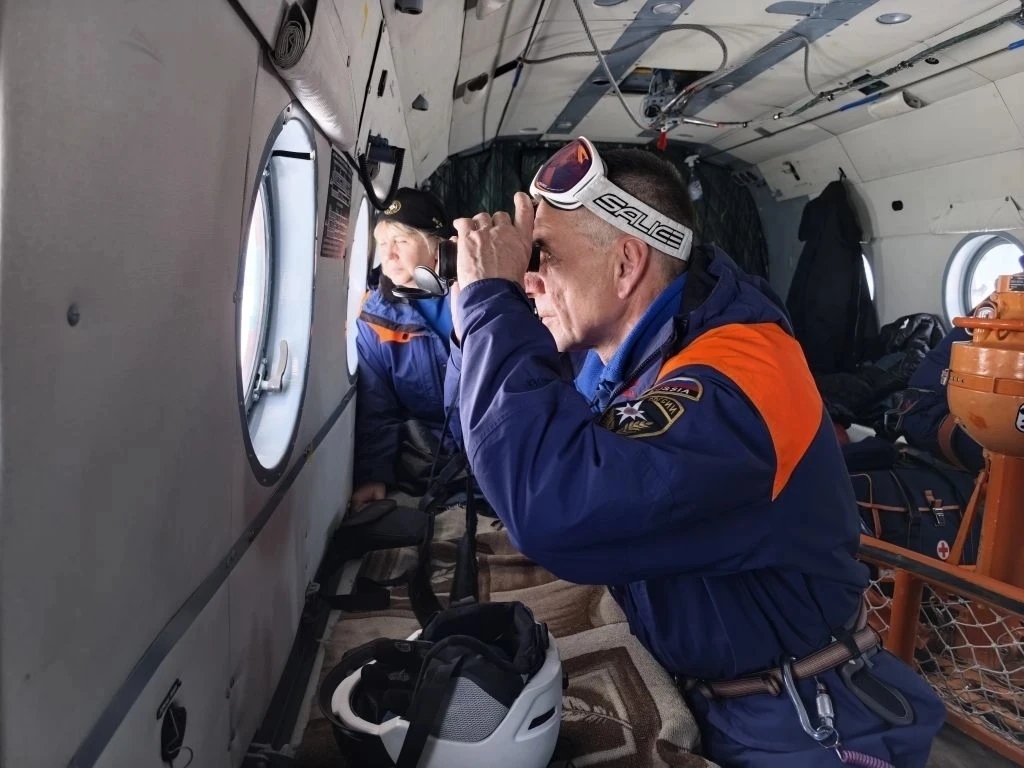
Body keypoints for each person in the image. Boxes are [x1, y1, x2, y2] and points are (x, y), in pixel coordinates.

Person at [444, 137, 945, 767]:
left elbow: (552, 506)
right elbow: (491, 441)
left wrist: (493, 303)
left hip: (799, 721)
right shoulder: (621, 358)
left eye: (543, 257)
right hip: (714, 693)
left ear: (626, 264)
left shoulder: (743, 377)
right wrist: (475, 315)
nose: (530, 280)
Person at [350, 187, 458, 508]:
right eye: (383, 244)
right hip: (432, 457)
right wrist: (373, 476)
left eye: (401, 241)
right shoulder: (375, 319)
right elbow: (377, 405)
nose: (389, 255)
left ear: (437, 245)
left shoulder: (476, 295)